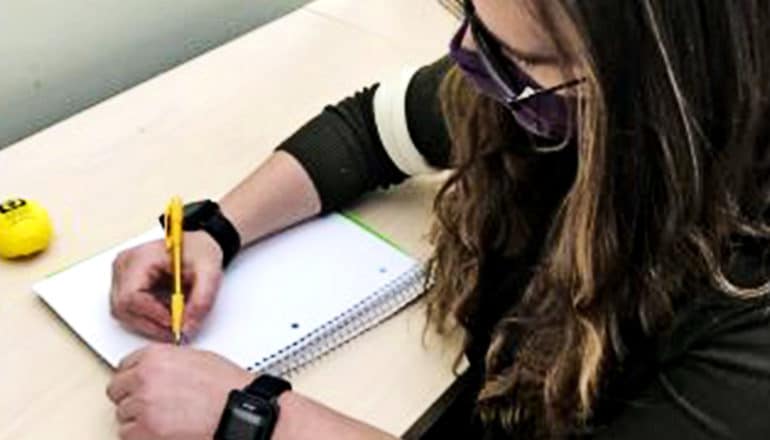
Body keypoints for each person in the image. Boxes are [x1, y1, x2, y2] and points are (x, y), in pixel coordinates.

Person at [106, 0, 770, 438]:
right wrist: (216, 232)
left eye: (524, 64)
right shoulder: (553, 79)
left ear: (664, 88)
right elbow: (369, 130)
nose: (475, 67)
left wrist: (254, 418)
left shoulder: (748, 318)